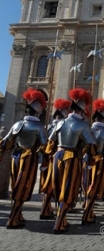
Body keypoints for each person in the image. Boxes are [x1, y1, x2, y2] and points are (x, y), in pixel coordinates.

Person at [49, 88, 96, 234]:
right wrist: (86, 154)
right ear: (82, 110)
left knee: (57, 188)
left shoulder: (60, 122)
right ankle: (58, 223)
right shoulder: (82, 125)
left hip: (57, 156)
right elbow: (91, 145)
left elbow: (50, 142)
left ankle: (62, 219)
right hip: (72, 158)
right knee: (68, 189)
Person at [0, 88, 47, 229]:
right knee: (23, 188)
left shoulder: (17, 124)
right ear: (37, 111)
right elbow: (45, 147)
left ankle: (18, 215)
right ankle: (13, 218)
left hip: (15, 158)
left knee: (16, 186)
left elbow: (6, 143)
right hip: (29, 159)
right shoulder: (39, 126)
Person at [39, 98, 71, 220]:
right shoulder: (59, 125)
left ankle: (45, 209)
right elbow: (50, 143)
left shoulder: (53, 125)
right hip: (56, 158)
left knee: (49, 185)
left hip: (50, 157)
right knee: (56, 185)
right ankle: (50, 210)